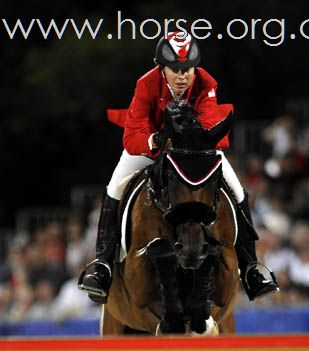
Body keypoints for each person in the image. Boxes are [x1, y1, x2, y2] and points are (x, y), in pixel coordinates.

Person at [79, 31, 279, 303]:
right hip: (152, 148)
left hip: (194, 152)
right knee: (115, 186)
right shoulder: (146, 84)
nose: (183, 76)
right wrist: (158, 138)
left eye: (188, 70)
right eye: (175, 69)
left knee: (238, 190)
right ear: (161, 68)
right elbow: (131, 136)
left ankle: (251, 267)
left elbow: (210, 128)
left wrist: (190, 129)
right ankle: (102, 263)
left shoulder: (206, 83)